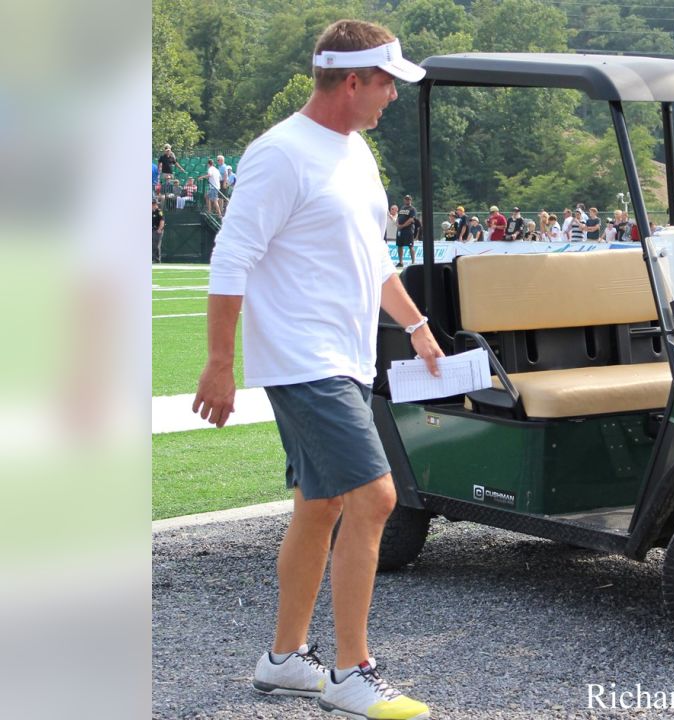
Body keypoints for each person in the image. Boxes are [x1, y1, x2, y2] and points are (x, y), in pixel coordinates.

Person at [191, 20, 439, 720]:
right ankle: (350, 671)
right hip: (305, 361)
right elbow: (231, 258)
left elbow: (371, 257)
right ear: (353, 80)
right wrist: (218, 363)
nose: (393, 95)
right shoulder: (279, 154)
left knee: (322, 504)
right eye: (388, 82)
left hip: (346, 357)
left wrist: (417, 326)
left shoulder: (355, 151)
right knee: (376, 498)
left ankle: (283, 660)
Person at [396, 195, 417, 266]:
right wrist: (398, 225)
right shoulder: (402, 208)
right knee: (399, 245)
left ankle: (413, 262)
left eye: (408, 199)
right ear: (404, 200)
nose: (407, 200)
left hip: (408, 230)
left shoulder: (412, 209)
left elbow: (411, 219)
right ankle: (400, 262)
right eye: (406, 199)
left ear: (411, 200)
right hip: (400, 230)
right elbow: (398, 217)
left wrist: (402, 226)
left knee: (410, 246)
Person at [152, 199, 165, 263]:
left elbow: (162, 221)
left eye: (153, 204)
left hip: (157, 230)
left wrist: (159, 229)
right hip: (152, 230)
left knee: (156, 245)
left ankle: (157, 259)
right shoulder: (152, 212)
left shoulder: (159, 211)